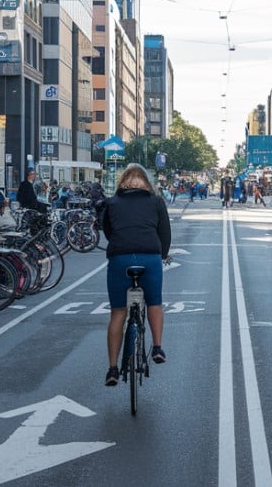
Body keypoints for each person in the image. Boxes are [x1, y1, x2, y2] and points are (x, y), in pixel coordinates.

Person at [101, 163, 171, 386]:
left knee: (118, 313)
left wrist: (121, 243)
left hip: (120, 258)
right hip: (150, 256)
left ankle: (113, 368)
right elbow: (165, 232)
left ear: (122, 183)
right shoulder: (156, 201)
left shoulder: (112, 203)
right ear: (146, 183)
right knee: (154, 303)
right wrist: (163, 254)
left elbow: (108, 231)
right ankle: (158, 348)